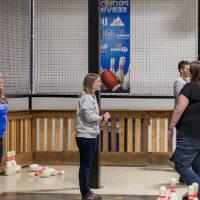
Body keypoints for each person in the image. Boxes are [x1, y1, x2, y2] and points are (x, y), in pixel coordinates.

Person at [76, 73, 110, 200]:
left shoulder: (92, 97)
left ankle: (88, 191)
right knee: (85, 166)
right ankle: (85, 194)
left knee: (87, 165)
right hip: (85, 136)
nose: (100, 84)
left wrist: (102, 119)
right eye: (98, 82)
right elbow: (88, 117)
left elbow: (91, 117)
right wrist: (102, 117)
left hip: (91, 134)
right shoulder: (86, 98)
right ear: (91, 83)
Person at [168, 61, 200, 198]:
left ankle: (196, 190)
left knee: (180, 163)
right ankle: (194, 193)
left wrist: (170, 128)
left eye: (189, 70)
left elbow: (179, 108)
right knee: (198, 166)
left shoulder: (190, 87)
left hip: (190, 132)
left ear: (192, 73)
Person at [171, 60, 190, 184]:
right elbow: (181, 99)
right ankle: (175, 161)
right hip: (182, 119)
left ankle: (184, 175)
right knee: (182, 145)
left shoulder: (187, 82)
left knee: (187, 146)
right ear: (181, 69)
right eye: (187, 68)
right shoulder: (179, 82)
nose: (188, 70)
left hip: (187, 119)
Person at [0, 73, 8, 166]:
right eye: (0, 78)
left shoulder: (2, 94)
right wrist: (5, 107)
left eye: (2, 77)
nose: (2, 80)